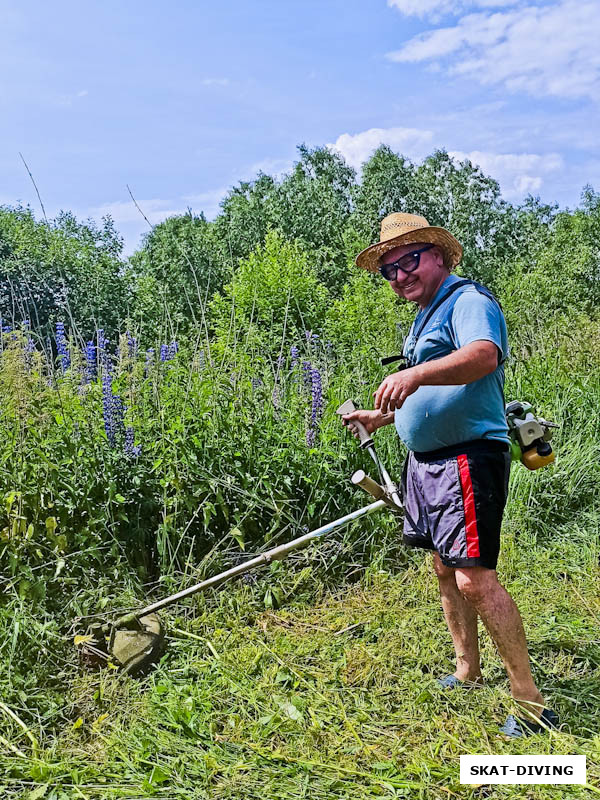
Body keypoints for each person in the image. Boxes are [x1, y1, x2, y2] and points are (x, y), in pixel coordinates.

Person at [342, 212, 559, 737]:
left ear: (438, 255)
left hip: (467, 458)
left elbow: (483, 357)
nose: (400, 276)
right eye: (389, 269)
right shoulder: (425, 315)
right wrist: (385, 417)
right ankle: (467, 669)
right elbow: (441, 390)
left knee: (473, 579)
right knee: (444, 568)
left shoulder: (467, 301)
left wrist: (412, 372)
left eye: (409, 261)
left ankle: (532, 703)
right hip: (429, 462)